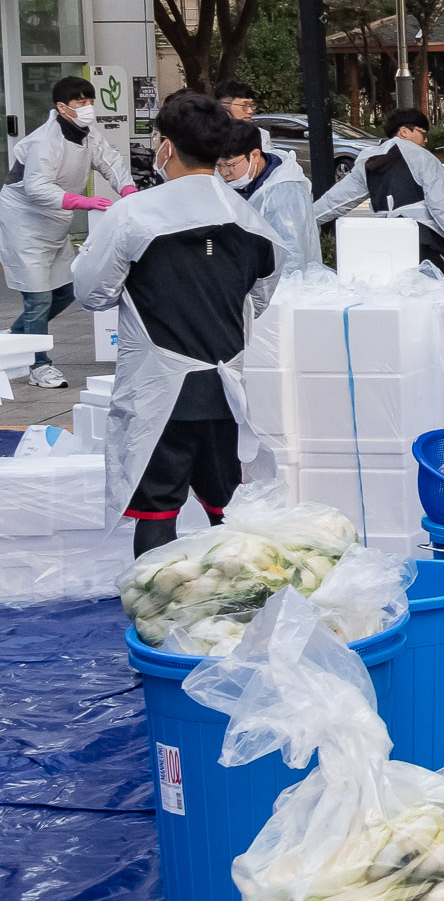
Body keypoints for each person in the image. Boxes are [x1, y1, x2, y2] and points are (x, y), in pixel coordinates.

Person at [73, 92, 283, 555]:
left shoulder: (132, 215)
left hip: (157, 393)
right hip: (227, 390)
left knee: (157, 511)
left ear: (166, 145)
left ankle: (154, 616)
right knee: (227, 511)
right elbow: (260, 299)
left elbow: (92, 293)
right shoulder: (253, 224)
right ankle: (228, 610)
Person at [0, 74, 137, 388]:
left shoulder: (87, 134)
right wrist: (82, 201)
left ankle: (19, 338)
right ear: (62, 107)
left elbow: (110, 161)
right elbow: (36, 188)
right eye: (81, 103)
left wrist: (127, 189)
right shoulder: (43, 141)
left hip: (54, 221)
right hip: (24, 222)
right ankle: (38, 365)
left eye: (91, 101)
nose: (88, 108)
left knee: (67, 290)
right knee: (37, 299)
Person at [312, 106, 444, 276]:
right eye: (423, 134)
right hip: (421, 239)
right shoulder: (423, 157)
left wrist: (308, 218)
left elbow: (336, 200)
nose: (425, 141)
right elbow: (443, 203)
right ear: (404, 131)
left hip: (384, 239)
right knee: (435, 293)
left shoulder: (368, 159)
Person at [218, 120, 319, 274]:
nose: (224, 173)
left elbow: (291, 256)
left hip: (276, 285)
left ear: (255, 155)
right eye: (218, 165)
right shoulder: (237, 180)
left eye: (230, 165)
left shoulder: (285, 191)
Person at [217, 80, 273, 152]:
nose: (250, 111)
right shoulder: (207, 133)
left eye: (252, 105)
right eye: (244, 105)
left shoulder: (262, 135)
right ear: (224, 106)